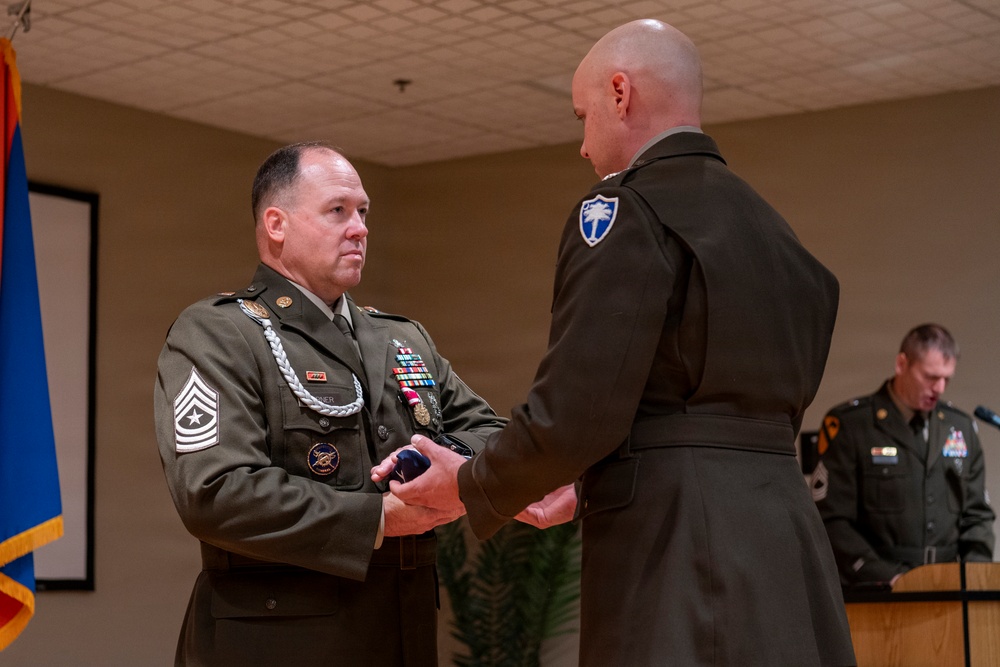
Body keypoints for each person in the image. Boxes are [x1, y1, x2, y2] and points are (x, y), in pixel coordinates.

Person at [373, 18, 856, 666]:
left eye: (583, 114)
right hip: (785, 531)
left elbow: (575, 412)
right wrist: (593, 481)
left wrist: (468, 483)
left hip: (676, 538)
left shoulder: (625, 211)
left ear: (620, 93)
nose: (581, 144)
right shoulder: (778, 234)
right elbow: (709, 410)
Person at [153, 142, 506, 666]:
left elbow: (491, 432)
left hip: (402, 633)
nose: (360, 228)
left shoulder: (400, 338)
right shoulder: (220, 333)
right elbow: (216, 491)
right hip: (279, 643)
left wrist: (440, 467)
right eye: (337, 211)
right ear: (277, 224)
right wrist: (378, 519)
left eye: (363, 211)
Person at [812, 324, 994, 589]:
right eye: (931, 377)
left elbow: (978, 517)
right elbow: (830, 519)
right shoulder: (853, 425)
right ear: (901, 364)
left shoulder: (961, 427)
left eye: (946, 379)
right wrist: (889, 576)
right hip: (878, 588)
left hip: (949, 589)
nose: (940, 388)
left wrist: (972, 577)